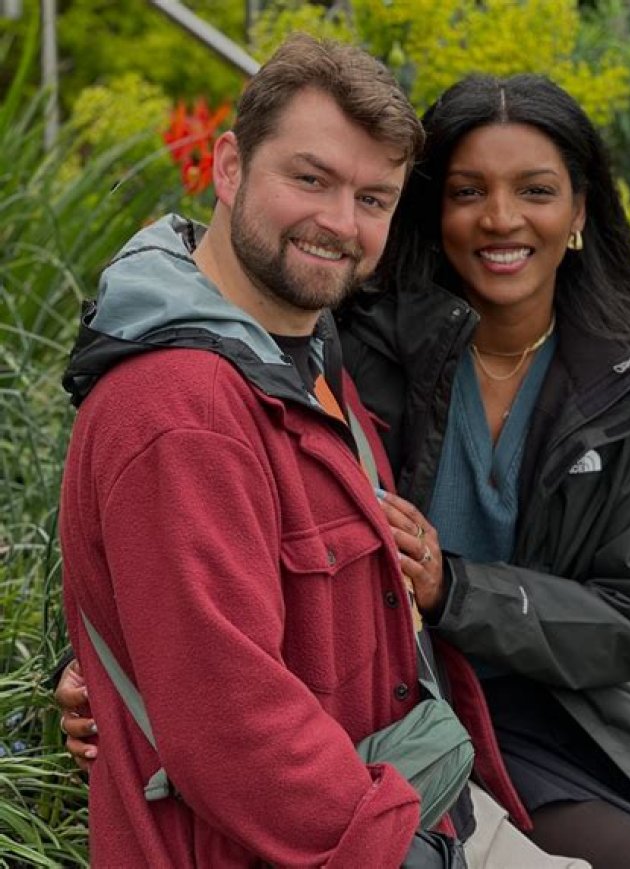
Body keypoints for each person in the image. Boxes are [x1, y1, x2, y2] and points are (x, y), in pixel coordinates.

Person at [58, 34, 461, 867]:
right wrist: (406, 849)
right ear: (230, 167)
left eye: (373, 198)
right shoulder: (186, 410)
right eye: (310, 179)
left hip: (391, 800)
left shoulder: (297, 346)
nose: (340, 223)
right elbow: (233, 727)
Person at [337, 73, 630, 867]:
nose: (501, 218)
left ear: (579, 210)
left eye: (535, 190)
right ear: (432, 208)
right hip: (410, 706)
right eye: (468, 191)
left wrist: (455, 588)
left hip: (582, 717)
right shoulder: (362, 349)